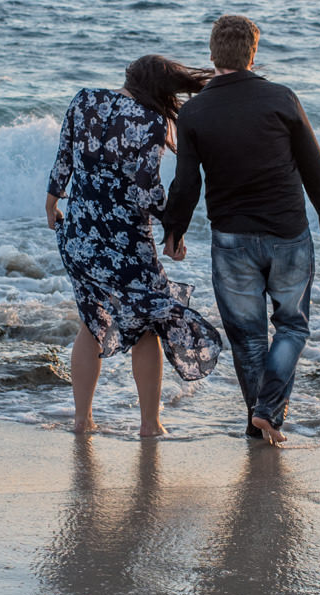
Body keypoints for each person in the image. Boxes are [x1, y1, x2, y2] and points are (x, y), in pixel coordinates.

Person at [161, 15, 320, 445]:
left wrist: (175, 230)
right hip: (288, 234)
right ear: (252, 54)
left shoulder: (193, 112)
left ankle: (259, 420)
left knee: (247, 339)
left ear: (212, 54)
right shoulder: (280, 98)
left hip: (232, 241)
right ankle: (266, 414)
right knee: (292, 328)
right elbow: (312, 164)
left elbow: (187, 182)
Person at [46, 54, 222, 436]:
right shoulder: (151, 122)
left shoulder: (84, 99)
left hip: (81, 233)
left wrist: (52, 201)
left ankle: (82, 420)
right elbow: (148, 189)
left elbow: (64, 157)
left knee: (91, 323)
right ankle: (149, 424)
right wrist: (174, 232)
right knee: (146, 326)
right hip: (126, 239)